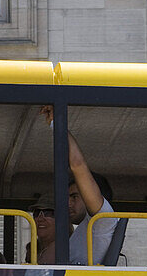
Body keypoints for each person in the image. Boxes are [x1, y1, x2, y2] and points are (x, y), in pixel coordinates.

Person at [40, 106, 118, 264]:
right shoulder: (86, 229)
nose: (68, 203)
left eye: (75, 196)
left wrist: (57, 123)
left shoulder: (103, 220)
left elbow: (77, 165)